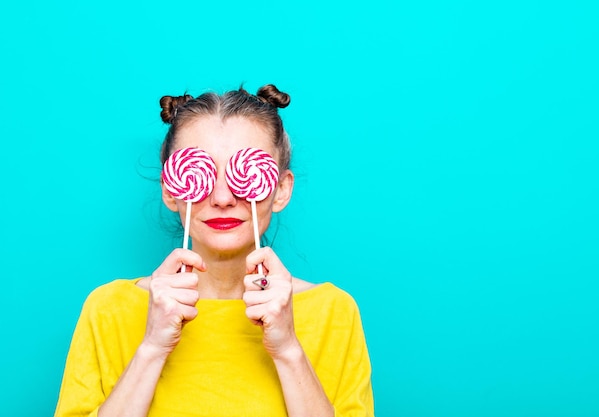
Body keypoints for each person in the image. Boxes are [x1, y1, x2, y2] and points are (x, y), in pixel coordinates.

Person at [54, 84, 374, 417]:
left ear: (280, 190)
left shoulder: (333, 313)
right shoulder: (109, 310)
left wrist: (288, 351)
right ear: (171, 189)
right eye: (201, 173)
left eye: (244, 173)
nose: (223, 198)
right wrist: (151, 348)